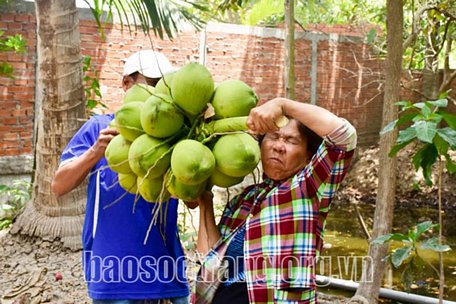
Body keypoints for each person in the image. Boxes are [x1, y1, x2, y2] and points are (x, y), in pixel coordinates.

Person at [51, 50, 189, 304]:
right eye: (151, 84)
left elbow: (191, 198)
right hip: (113, 275)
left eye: (163, 86)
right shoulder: (98, 128)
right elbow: (59, 185)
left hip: (164, 275)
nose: (157, 92)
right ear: (126, 83)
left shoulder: (177, 136)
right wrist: (95, 152)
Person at [194, 98, 357, 304]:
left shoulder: (307, 188)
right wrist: (205, 202)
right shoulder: (243, 200)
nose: (279, 146)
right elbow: (211, 260)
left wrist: (283, 105)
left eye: (291, 140)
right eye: (273, 137)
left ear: (308, 157)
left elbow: (344, 136)